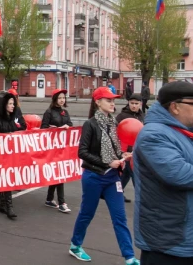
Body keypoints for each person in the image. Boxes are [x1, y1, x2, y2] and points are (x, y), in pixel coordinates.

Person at [68, 87, 138, 264]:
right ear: (98, 102)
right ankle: (75, 246)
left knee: (120, 218)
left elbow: (114, 150)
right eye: (108, 100)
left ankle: (129, 257)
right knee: (86, 213)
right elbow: (82, 152)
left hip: (113, 178)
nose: (113, 103)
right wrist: (107, 163)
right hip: (94, 176)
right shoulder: (90, 124)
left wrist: (123, 155)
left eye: (113, 100)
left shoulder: (114, 123)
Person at [133, 82, 193, 264]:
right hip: (168, 240)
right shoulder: (154, 135)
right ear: (174, 107)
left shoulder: (183, 132)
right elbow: (179, 174)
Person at [0, 92, 27, 219]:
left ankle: (3, 203)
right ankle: (8, 206)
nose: (13, 106)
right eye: (10, 104)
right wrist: (2, 134)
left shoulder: (16, 111)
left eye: (13, 103)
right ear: (4, 104)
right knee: (4, 175)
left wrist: (13, 130)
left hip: (12, 149)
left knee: (7, 175)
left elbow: (23, 126)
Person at [40, 89, 73, 213]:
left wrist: (67, 126)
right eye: (59, 98)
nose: (62, 100)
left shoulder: (65, 112)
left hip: (62, 147)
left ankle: (49, 199)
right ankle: (62, 202)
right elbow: (43, 128)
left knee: (58, 172)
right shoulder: (48, 112)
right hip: (52, 148)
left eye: (63, 98)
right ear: (54, 99)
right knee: (60, 173)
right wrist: (53, 129)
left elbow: (70, 123)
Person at [115, 93, 145, 203]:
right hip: (125, 150)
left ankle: (117, 192)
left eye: (136, 104)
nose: (133, 106)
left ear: (140, 104)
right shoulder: (122, 116)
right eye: (131, 103)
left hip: (137, 149)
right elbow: (116, 132)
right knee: (134, 174)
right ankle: (140, 197)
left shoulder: (142, 116)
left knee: (126, 174)